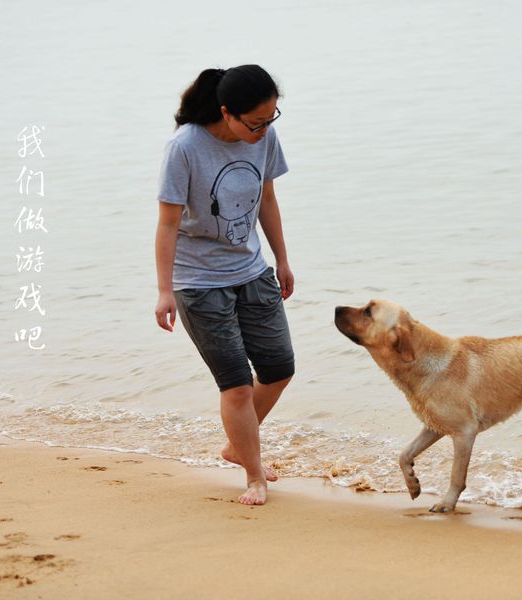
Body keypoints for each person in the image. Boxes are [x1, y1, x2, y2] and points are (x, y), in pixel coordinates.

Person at [154, 65, 294, 506]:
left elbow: (267, 199)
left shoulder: (264, 137)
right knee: (234, 384)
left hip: (253, 271)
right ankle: (254, 476)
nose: (263, 130)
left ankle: (238, 445)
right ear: (226, 112)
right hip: (198, 283)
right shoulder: (184, 149)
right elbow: (168, 224)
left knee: (278, 370)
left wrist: (283, 259)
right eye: (254, 122)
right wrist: (164, 290)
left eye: (271, 118)